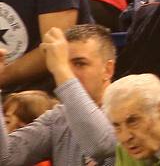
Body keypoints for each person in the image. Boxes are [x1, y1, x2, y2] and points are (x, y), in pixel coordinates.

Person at [0, 24, 117, 161]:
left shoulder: (130, 108)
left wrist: (61, 68)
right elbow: (5, 158)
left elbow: (100, 146)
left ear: (108, 70)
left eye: (80, 64)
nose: (69, 73)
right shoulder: (58, 117)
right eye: (65, 64)